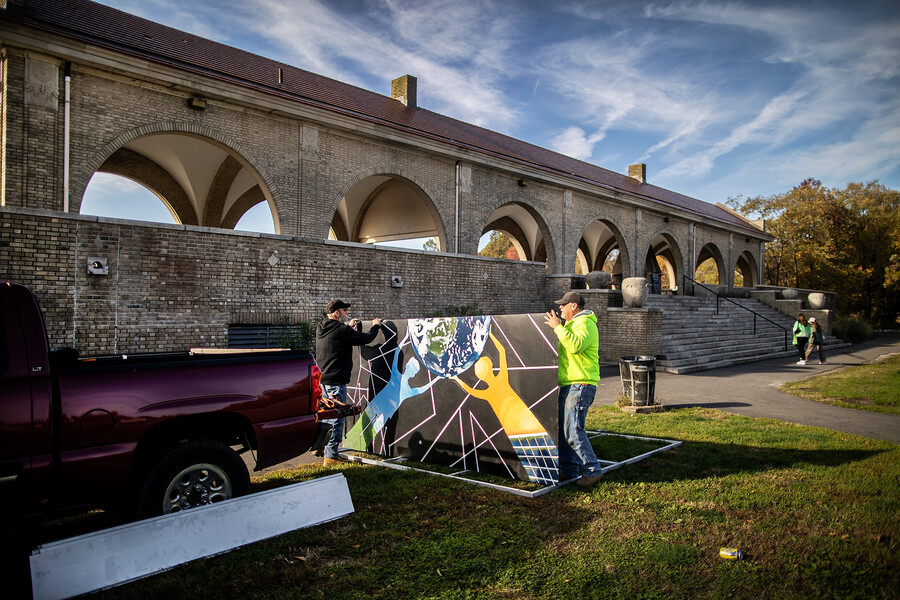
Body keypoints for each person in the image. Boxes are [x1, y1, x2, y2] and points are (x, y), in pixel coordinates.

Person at [543, 291, 603, 487]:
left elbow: (576, 346)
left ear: (574, 306)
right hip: (570, 384)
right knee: (563, 431)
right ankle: (568, 471)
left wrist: (558, 328)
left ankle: (592, 471)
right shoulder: (571, 325)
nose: (560, 307)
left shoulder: (585, 323)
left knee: (573, 432)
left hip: (581, 385)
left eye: (563, 304)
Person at [315, 299, 383, 465]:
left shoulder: (321, 327)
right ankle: (331, 457)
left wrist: (349, 327)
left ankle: (321, 447)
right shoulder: (341, 330)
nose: (346, 314)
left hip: (323, 380)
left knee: (325, 415)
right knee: (337, 417)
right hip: (336, 381)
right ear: (337, 313)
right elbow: (366, 338)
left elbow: (338, 336)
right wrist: (376, 325)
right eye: (344, 311)